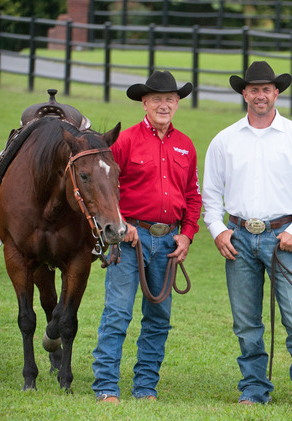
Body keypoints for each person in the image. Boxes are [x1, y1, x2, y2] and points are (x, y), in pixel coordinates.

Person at [202, 61, 292, 407]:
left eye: (266, 89)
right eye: (254, 89)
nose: (260, 95)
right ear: (244, 93)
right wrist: (217, 230)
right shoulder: (224, 140)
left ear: (276, 93)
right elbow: (210, 193)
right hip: (238, 236)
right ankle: (254, 388)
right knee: (245, 322)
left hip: (282, 235)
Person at [92, 70, 202, 403]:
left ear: (178, 103)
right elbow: (106, 188)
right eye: (157, 99)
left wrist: (187, 235)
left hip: (168, 242)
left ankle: (145, 387)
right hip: (130, 240)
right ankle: (106, 386)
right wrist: (123, 226)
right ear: (145, 102)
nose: (164, 105)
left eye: (170, 99)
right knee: (118, 313)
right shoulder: (125, 141)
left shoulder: (185, 146)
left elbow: (193, 196)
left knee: (159, 319)